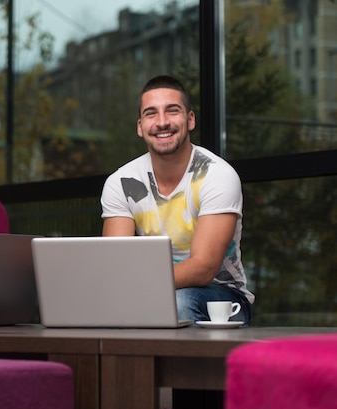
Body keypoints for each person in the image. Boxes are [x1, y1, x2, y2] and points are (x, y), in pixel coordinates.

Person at [100, 75, 254, 324]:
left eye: (172, 111)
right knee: (93, 308)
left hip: (225, 298)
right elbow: (117, 265)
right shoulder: (121, 183)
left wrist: (137, 282)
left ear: (190, 119)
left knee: (178, 302)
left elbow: (203, 268)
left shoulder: (217, 175)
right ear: (140, 127)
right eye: (151, 114)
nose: (162, 122)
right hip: (149, 293)